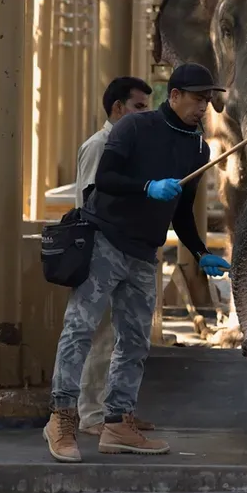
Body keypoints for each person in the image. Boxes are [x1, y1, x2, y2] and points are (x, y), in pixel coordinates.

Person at [43, 63, 231, 462]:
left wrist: (201, 253)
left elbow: (181, 212)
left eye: (207, 100)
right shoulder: (134, 128)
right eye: (197, 99)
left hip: (145, 253)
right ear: (174, 95)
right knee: (79, 328)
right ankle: (61, 418)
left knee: (133, 343)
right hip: (105, 241)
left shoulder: (198, 148)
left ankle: (117, 423)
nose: (203, 107)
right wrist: (146, 187)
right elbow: (106, 178)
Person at [74, 76, 153, 437]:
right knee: (100, 335)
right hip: (101, 251)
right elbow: (94, 202)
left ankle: (118, 414)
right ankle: (91, 415)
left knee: (126, 337)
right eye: (138, 108)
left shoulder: (127, 147)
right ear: (117, 108)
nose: (144, 116)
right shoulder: (100, 145)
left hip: (127, 252)